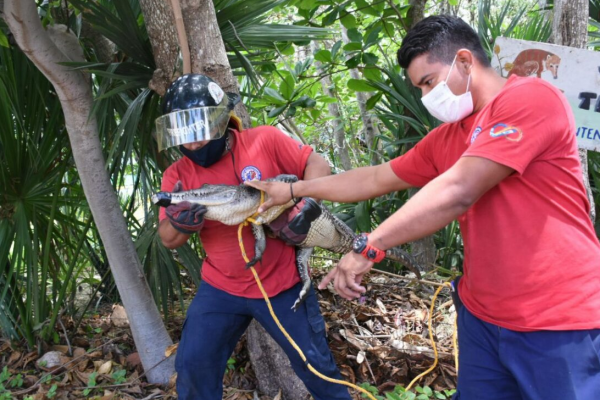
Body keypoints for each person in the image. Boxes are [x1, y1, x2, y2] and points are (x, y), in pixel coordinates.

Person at [246, 15, 600, 400]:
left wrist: (369, 245)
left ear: (464, 62)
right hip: (483, 316)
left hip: (557, 319)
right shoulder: (448, 138)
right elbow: (376, 178)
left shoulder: (529, 98)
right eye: (419, 88)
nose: (426, 96)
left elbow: (460, 189)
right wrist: (294, 189)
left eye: (429, 82)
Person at [156, 73, 352, 400]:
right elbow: (167, 238)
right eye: (183, 135)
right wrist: (181, 223)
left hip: (282, 284)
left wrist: (306, 203)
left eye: (199, 132)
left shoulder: (265, 140)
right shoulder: (177, 176)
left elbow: (317, 163)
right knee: (193, 368)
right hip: (221, 287)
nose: (192, 144)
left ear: (220, 121)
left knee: (316, 368)